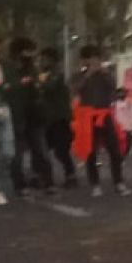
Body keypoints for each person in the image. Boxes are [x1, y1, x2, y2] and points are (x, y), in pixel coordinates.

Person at [74, 45, 130, 197]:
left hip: (104, 114)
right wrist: (88, 74)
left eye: (96, 57)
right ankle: (95, 184)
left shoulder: (105, 74)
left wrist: (105, 74)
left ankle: (118, 182)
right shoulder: (80, 75)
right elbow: (76, 89)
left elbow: (113, 88)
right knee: (91, 152)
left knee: (114, 149)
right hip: (88, 116)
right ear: (85, 60)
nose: (94, 61)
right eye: (90, 58)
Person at [7, 38, 54, 196]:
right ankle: (20, 184)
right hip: (18, 114)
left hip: (35, 115)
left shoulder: (33, 68)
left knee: (40, 149)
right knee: (18, 153)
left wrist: (37, 85)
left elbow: (39, 89)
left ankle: (45, 180)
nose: (31, 55)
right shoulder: (10, 69)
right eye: (28, 51)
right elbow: (9, 90)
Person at [38, 47, 77, 188]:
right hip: (48, 120)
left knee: (61, 150)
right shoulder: (44, 74)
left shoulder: (56, 74)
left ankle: (71, 175)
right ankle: (44, 177)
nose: (41, 61)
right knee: (43, 150)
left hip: (59, 119)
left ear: (52, 60)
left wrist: (40, 82)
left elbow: (50, 87)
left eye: (44, 58)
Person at [0, 34, 15, 206]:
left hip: (5, 109)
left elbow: (14, 83)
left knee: (8, 151)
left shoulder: (5, 66)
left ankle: (0, 182)